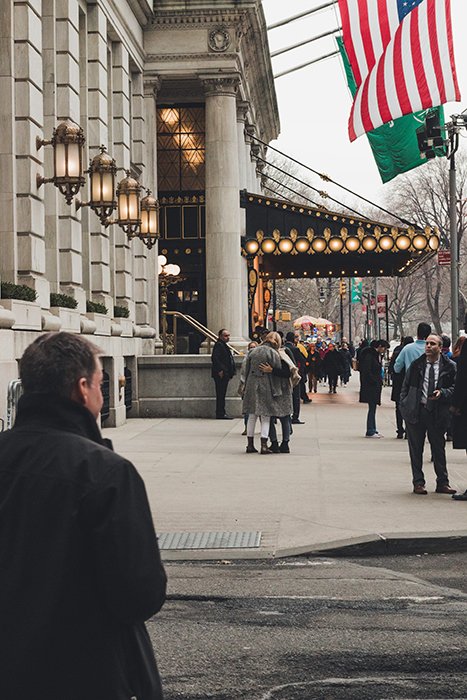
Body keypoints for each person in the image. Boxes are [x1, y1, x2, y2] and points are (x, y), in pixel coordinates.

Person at [0, 332, 167, 700]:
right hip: (85, 672)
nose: (102, 396)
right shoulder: (105, 472)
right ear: (82, 389)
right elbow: (140, 594)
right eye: (100, 384)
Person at [399, 334, 457, 495]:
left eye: (433, 344)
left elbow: (455, 388)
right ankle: (418, 482)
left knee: (438, 448)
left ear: (440, 347)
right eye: (427, 344)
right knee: (416, 449)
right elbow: (405, 386)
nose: (428, 346)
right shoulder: (417, 365)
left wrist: (443, 393)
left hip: (438, 412)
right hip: (417, 410)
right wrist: (405, 405)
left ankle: (442, 483)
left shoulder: (449, 366)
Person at [242, 332, 283, 454]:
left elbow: (246, 369)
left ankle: (249, 445)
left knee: (252, 415)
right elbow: (277, 370)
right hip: (266, 385)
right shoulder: (273, 353)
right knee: (266, 416)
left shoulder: (253, 351)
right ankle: (264, 445)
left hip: (251, 384)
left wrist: (245, 385)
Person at [359, 339, 389, 438]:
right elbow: (367, 371)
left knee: (373, 408)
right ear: (380, 346)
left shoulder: (374, 355)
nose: (384, 351)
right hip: (371, 386)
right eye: (384, 348)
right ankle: (370, 430)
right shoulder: (370, 356)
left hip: (373, 385)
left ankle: (373, 428)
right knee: (372, 408)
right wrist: (375, 381)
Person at [389, 336, 413, 438]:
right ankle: (408, 430)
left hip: (398, 383)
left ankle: (400, 429)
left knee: (398, 407)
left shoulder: (397, 351)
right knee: (410, 407)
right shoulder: (413, 351)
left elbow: (394, 367)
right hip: (410, 383)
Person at [211, 327, 236, 419]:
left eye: (228, 335)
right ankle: (220, 413)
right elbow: (215, 358)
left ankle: (221, 412)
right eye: (225, 336)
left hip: (225, 373)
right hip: (221, 374)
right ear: (220, 336)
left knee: (222, 394)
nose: (228, 337)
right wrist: (220, 370)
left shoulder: (223, 345)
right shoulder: (219, 345)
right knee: (221, 394)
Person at [238, 340, 258, 435]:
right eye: (250, 347)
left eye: (254, 347)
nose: (252, 349)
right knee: (247, 410)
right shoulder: (246, 359)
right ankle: (247, 427)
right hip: (247, 385)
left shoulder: (257, 358)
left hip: (257, 386)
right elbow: (243, 373)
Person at [285, 331, 304, 424]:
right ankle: (295, 416)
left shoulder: (282, 349)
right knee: (296, 396)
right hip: (294, 374)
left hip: (284, 375)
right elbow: (302, 361)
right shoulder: (295, 349)